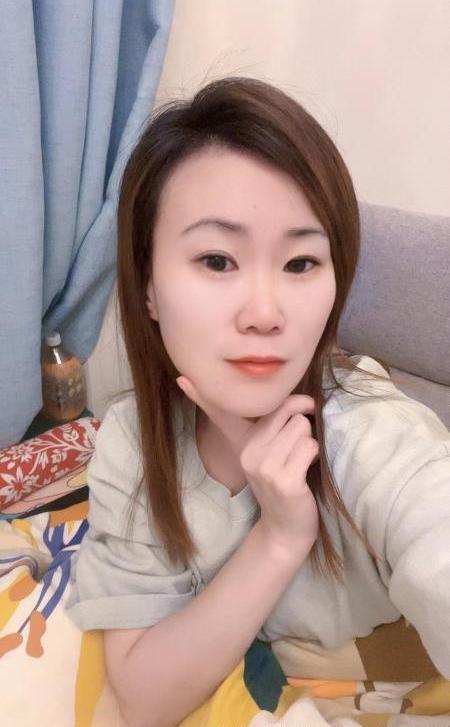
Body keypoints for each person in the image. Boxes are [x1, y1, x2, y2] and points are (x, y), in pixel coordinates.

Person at [65, 77, 450, 727]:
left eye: (301, 263)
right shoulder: (133, 440)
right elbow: (142, 697)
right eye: (217, 260)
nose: (266, 313)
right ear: (149, 286)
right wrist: (279, 536)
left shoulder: (373, 432)